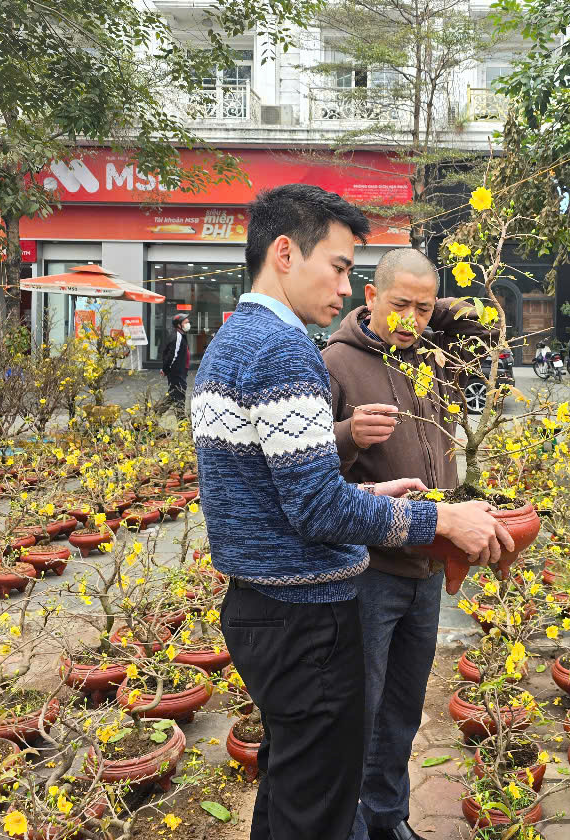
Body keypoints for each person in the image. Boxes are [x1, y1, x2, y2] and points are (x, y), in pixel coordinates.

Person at [192, 184, 514, 840]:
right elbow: (314, 506)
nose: (344, 288)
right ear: (285, 253)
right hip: (305, 620)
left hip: (263, 604)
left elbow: (279, 493)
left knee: (291, 790)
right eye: (339, 267)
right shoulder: (287, 353)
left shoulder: (233, 342)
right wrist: (440, 521)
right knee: (319, 810)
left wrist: (367, 495)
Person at [323, 248, 493, 840]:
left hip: (428, 563)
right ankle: (350, 825)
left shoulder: (435, 354)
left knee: (403, 707)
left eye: (423, 309)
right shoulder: (336, 363)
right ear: (369, 295)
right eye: (399, 305)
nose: (411, 320)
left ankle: (388, 816)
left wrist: (433, 309)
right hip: (369, 569)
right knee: (360, 709)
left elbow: (486, 329)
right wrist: (348, 435)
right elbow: (307, 475)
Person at [159, 313, 191, 412]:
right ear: (179, 325)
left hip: (180, 371)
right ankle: (181, 419)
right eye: (185, 322)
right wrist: (165, 370)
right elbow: (172, 355)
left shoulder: (181, 335)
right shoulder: (177, 336)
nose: (188, 324)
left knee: (173, 394)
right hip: (177, 372)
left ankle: (155, 414)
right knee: (179, 394)